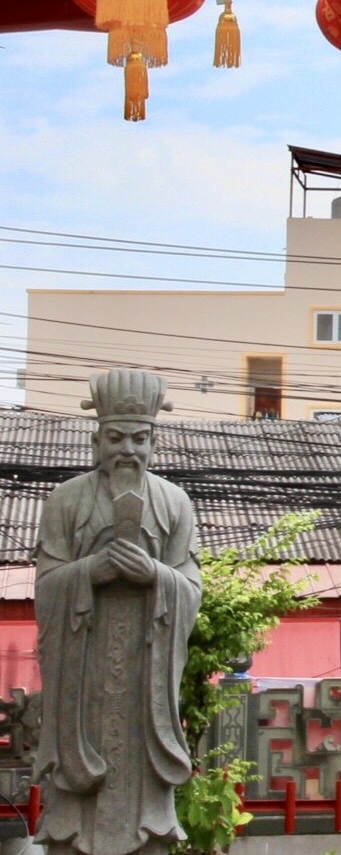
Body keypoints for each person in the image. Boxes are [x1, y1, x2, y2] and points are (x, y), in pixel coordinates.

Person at [35, 366, 201, 855]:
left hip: (143, 681)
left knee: (143, 805)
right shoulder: (66, 501)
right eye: (115, 438)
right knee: (74, 816)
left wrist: (156, 577)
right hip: (83, 675)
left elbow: (191, 588)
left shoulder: (174, 503)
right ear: (96, 442)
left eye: (139, 439)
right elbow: (45, 588)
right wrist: (88, 572)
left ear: (153, 443)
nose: (128, 450)